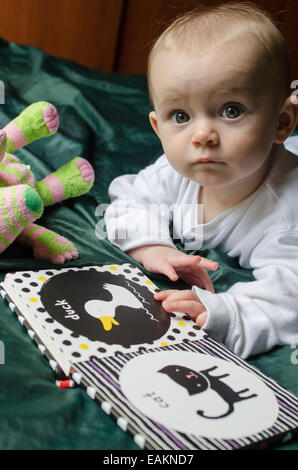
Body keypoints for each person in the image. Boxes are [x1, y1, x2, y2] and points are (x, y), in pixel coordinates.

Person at [104, 2, 298, 358]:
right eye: (180, 115)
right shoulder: (173, 171)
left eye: (231, 110)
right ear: (157, 128)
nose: (203, 135)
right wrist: (153, 247)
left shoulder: (286, 217)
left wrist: (224, 313)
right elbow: (130, 199)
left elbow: (289, 298)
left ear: (282, 123)